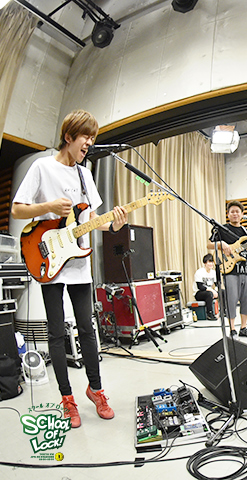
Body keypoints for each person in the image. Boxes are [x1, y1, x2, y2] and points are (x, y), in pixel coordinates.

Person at [11, 110, 128, 428]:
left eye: (93, 138)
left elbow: (92, 221)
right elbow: (18, 209)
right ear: (69, 137)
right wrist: (48, 206)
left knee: (87, 329)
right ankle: (67, 399)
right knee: (56, 332)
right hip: (49, 259)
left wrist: (114, 224)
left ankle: (96, 390)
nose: (89, 143)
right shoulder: (42, 167)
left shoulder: (85, 175)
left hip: (78, 263)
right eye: (85, 136)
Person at [207, 201, 247, 337]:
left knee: (246, 300)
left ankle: (243, 328)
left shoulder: (246, 232)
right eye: (232, 211)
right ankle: (232, 328)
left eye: (237, 211)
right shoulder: (222, 229)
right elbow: (209, 244)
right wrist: (221, 244)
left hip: (246, 270)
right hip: (230, 271)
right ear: (228, 214)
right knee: (231, 300)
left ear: (242, 214)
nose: (235, 214)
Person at [193, 253, 218, 320]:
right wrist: (212, 290)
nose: (211, 264)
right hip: (199, 293)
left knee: (223, 292)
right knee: (209, 294)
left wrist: (216, 290)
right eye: (209, 262)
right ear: (205, 263)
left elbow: (216, 284)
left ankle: (224, 311)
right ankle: (210, 314)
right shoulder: (199, 272)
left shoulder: (213, 272)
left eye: (212, 262)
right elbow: (200, 287)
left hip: (210, 291)